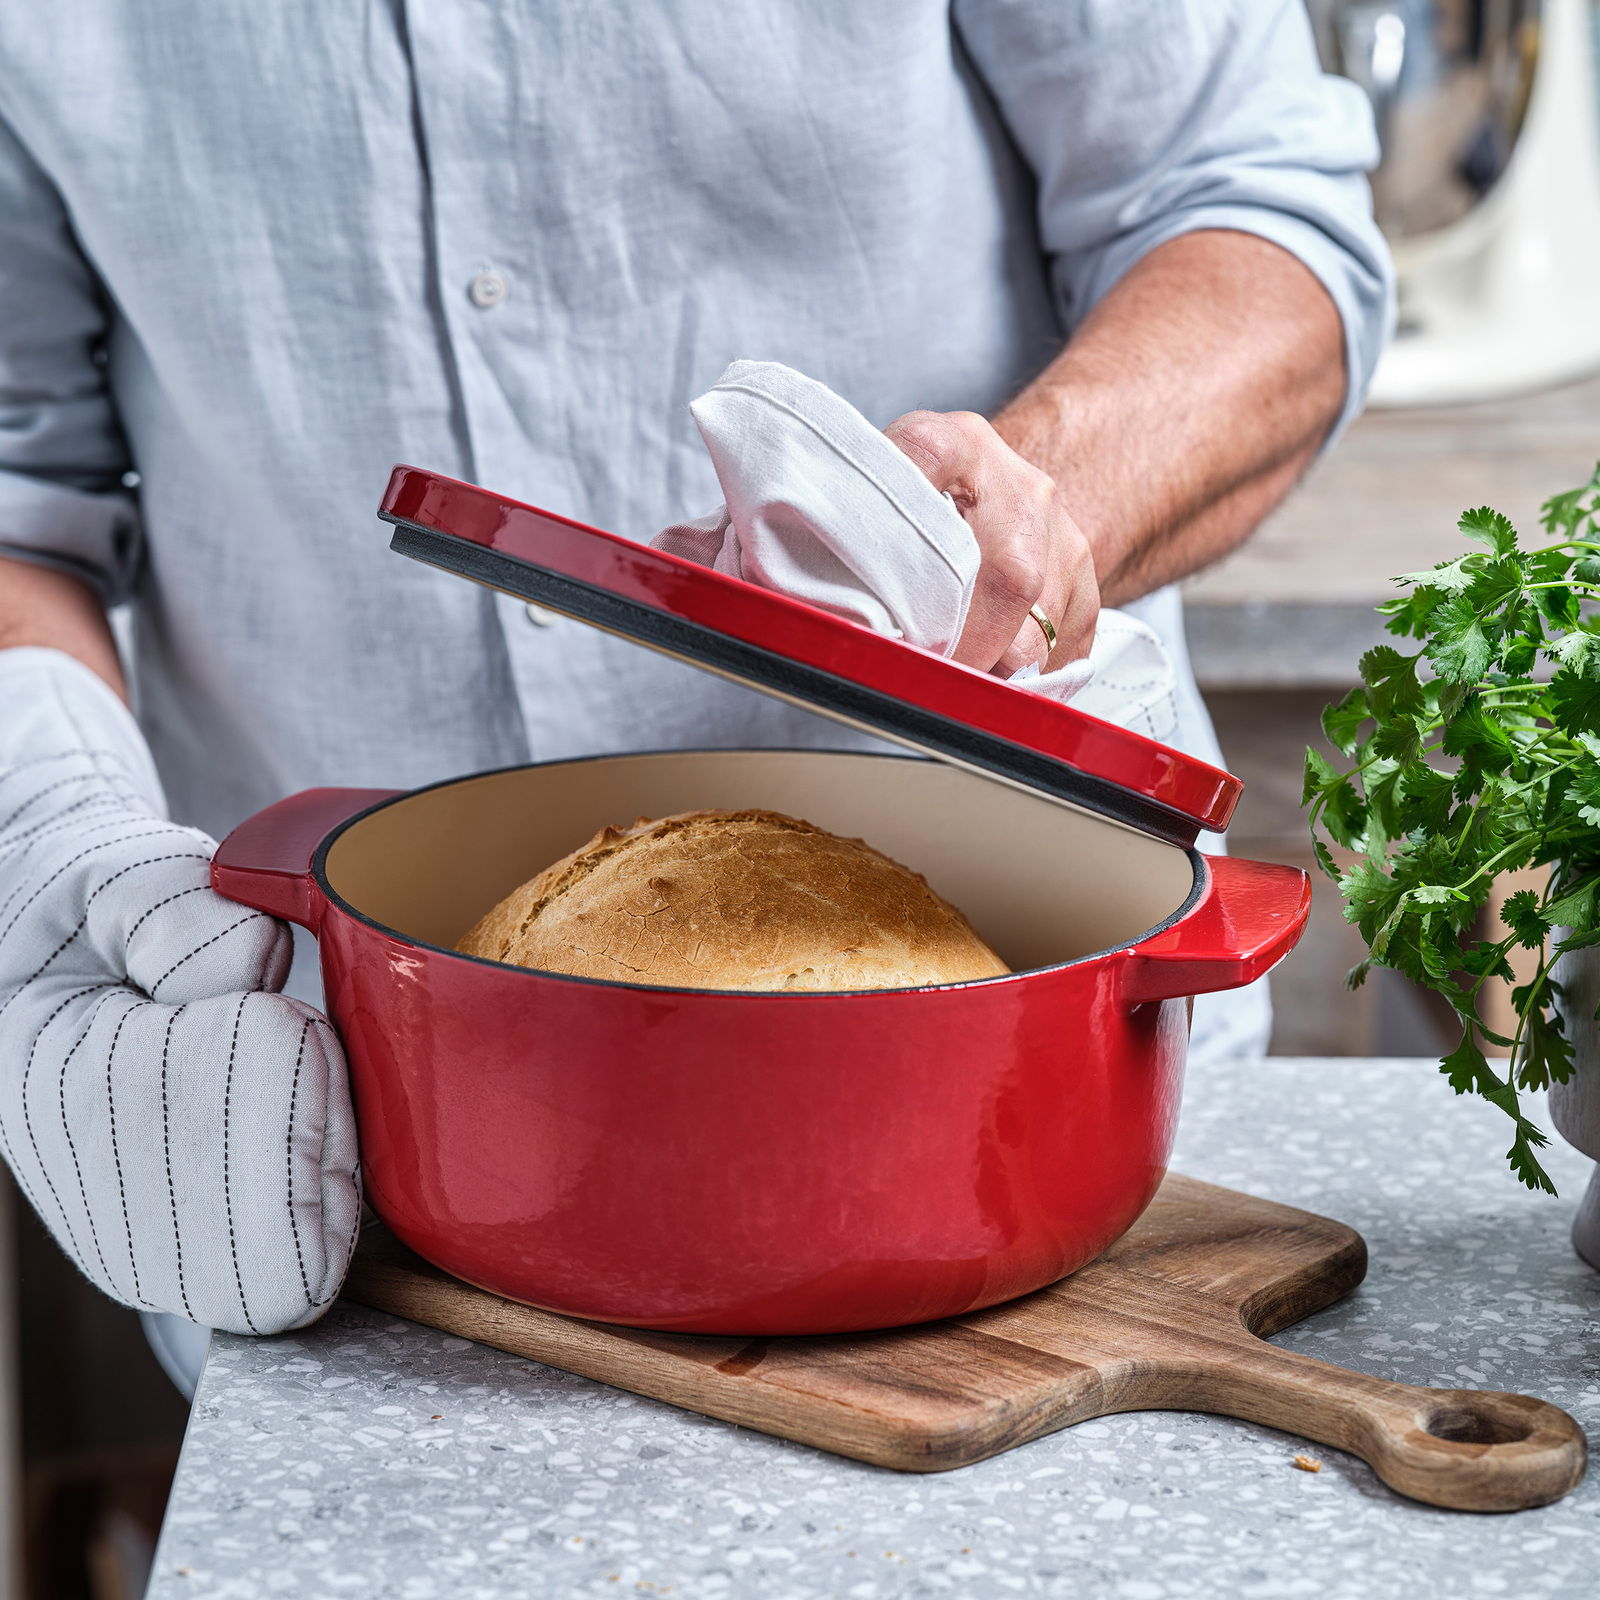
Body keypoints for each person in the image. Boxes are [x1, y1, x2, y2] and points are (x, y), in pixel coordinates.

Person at [0, 3, 1392, 1381]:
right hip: (299, 1113)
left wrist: (1002, 535)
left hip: (1027, 1120)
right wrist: (51, 846)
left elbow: (1256, 212)